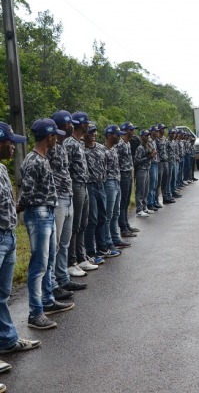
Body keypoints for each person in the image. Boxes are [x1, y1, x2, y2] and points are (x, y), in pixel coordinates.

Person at [17, 119, 75, 330]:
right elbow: (27, 193)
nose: (56, 139)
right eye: (54, 136)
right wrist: (19, 208)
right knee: (38, 265)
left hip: (47, 211)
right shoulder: (33, 161)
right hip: (39, 213)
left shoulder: (42, 158)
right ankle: (35, 312)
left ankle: (48, 301)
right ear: (49, 137)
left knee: (48, 260)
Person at [0, 121, 41, 354]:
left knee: (3, 295)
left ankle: (7, 340)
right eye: (10, 142)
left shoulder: (2, 169)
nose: (13, 147)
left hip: (9, 236)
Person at [47, 111, 86, 300]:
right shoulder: (51, 147)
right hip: (58, 199)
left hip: (68, 196)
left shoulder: (63, 146)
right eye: (68, 124)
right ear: (62, 126)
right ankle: (53, 282)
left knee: (64, 242)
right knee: (55, 245)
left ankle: (63, 278)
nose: (72, 127)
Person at [64, 112, 98, 276]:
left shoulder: (79, 143)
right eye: (86, 124)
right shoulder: (70, 143)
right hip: (75, 185)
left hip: (84, 184)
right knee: (75, 225)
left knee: (83, 223)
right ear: (80, 124)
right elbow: (66, 167)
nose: (88, 126)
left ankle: (81, 257)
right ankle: (71, 262)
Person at [83, 124, 117, 260]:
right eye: (90, 132)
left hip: (101, 185)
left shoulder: (101, 148)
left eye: (95, 131)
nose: (93, 134)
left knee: (103, 217)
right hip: (89, 186)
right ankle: (90, 251)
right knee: (92, 219)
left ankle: (102, 247)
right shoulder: (81, 148)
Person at [103, 125, 131, 250]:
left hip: (117, 181)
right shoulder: (102, 150)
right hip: (108, 183)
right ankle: (107, 241)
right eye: (117, 134)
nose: (119, 137)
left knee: (116, 213)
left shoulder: (114, 149)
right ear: (109, 135)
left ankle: (115, 239)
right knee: (108, 214)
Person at [116, 122, 140, 236]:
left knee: (126, 202)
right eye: (131, 130)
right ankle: (123, 227)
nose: (133, 132)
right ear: (126, 131)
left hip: (129, 173)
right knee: (123, 201)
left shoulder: (127, 143)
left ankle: (126, 224)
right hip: (122, 174)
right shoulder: (119, 144)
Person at [135, 130, 155, 216]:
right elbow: (137, 160)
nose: (147, 137)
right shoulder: (140, 148)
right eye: (146, 135)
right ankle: (139, 210)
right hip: (141, 170)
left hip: (147, 169)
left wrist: (151, 154)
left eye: (148, 136)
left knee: (146, 190)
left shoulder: (147, 146)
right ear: (142, 136)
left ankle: (144, 207)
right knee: (140, 190)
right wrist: (149, 156)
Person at [146, 125, 160, 211]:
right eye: (156, 131)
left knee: (155, 184)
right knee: (151, 185)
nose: (158, 132)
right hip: (151, 164)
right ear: (152, 132)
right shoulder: (149, 141)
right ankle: (150, 203)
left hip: (156, 162)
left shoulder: (154, 141)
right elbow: (150, 153)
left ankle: (154, 201)